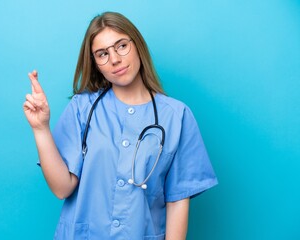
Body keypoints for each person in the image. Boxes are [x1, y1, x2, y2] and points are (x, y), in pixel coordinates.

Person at [23, 11, 217, 240]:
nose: (115, 59)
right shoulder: (82, 108)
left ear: (137, 46)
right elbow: (62, 188)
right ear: (96, 64)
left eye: (121, 46)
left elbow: (177, 201)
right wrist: (41, 128)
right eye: (102, 54)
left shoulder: (177, 116)